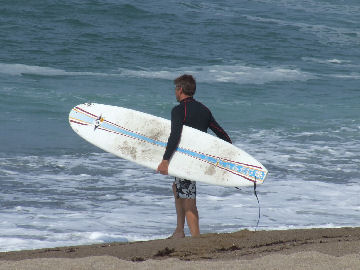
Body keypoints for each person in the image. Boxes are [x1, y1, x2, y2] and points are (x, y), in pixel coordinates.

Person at [157, 74, 232, 238]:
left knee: (189, 200)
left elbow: (175, 136)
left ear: (180, 89)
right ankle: (179, 231)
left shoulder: (179, 110)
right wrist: (228, 156)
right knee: (177, 188)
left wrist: (165, 160)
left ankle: (196, 238)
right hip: (196, 159)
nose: (175, 93)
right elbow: (222, 135)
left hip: (185, 161)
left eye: (175, 89)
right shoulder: (204, 110)